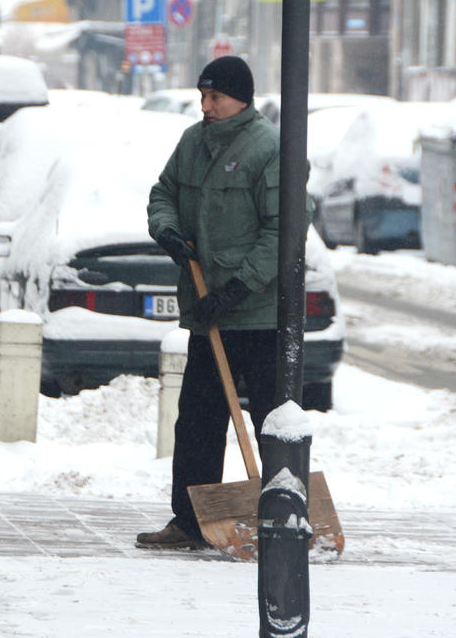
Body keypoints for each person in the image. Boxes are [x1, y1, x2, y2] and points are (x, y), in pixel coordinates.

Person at [137, 56, 285, 550]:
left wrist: (238, 289)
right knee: (198, 421)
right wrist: (169, 233)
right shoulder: (193, 143)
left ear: (241, 97)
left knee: (272, 423)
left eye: (215, 97)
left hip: (258, 315)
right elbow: (164, 193)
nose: (206, 106)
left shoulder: (269, 148)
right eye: (202, 97)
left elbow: (282, 233)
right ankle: (190, 520)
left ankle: (284, 514)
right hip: (207, 313)